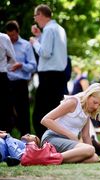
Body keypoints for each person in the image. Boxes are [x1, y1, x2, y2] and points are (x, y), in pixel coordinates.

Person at [40, 83, 100, 163]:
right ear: (89, 95)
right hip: (52, 138)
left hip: (68, 142)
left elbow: (86, 136)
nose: (96, 107)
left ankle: (53, 159)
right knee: (89, 149)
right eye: (95, 102)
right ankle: (47, 159)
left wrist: (92, 154)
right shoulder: (73, 102)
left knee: (94, 158)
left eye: (99, 105)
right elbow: (45, 120)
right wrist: (69, 134)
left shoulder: (87, 110)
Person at [30, 4, 68, 138]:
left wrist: (34, 42)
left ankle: (43, 141)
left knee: (40, 113)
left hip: (48, 77)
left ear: (40, 14)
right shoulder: (59, 29)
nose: (35, 19)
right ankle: (59, 139)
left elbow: (45, 52)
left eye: (35, 16)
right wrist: (40, 36)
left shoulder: (49, 29)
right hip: (60, 75)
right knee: (57, 111)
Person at [5, 20, 37, 136]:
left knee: (23, 113)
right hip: (6, 83)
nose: (12, 38)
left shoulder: (26, 45)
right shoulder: (3, 44)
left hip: (20, 83)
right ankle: (5, 142)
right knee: (5, 113)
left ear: (17, 32)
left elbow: (33, 66)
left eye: (13, 35)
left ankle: (27, 141)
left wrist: (21, 65)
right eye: (9, 35)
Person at [0, 32, 21, 132]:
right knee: (4, 110)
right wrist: (4, 65)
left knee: (5, 109)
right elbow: (13, 58)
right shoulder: (3, 38)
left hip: (2, 76)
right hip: (1, 75)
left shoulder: (4, 37)